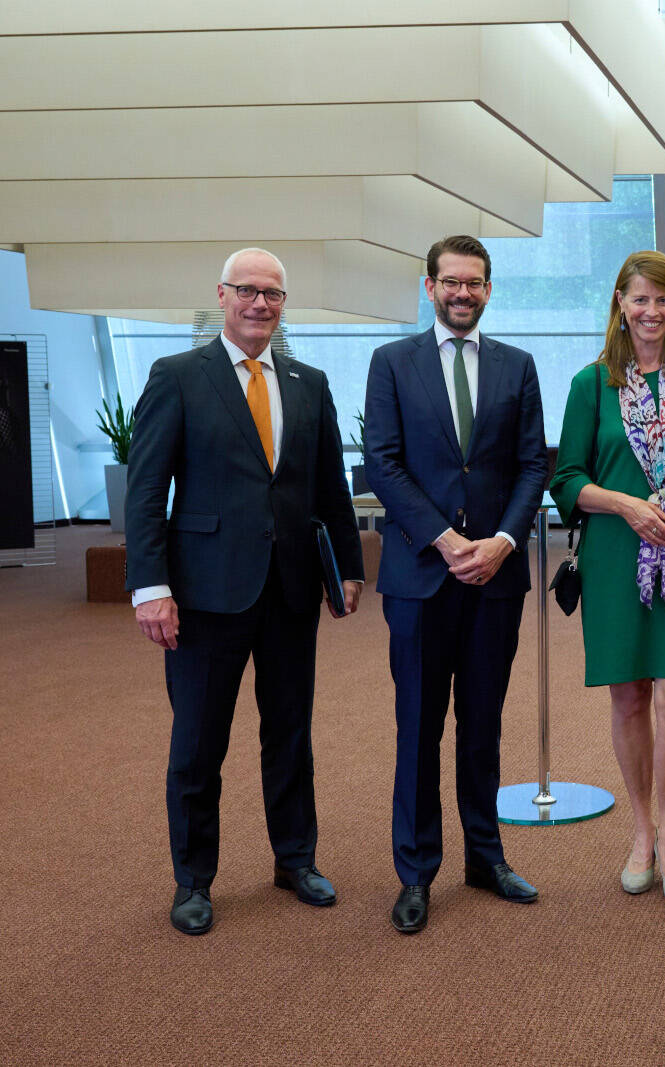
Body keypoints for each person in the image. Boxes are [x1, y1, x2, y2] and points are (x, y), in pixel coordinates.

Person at [125, 247, 364, 936]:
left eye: (273, 294)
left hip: (289, 587)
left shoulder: (308, 380)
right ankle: (193, 879)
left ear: (284, 305)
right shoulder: (177, 376)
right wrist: (150, 586)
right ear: (223, 295)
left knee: (290, 733)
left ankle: (296, 859)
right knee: (198, 742)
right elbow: (146, 492)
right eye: (248, 291)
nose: (260, 304)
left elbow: (328, 489)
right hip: (203, 592)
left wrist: (344, 567)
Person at [364, 235, 548, 934]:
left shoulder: (518, 366)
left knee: (482, 725)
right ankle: (415, 872)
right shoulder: (392, 364)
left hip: (495, 579)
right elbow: (382, 463)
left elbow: (533, 465)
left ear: (489, 289)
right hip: (420, 575)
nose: (462, 293)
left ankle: (485, 856)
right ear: (429, 285)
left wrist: (501, 542)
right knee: (418, 726)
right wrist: (445, 540)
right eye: (451, 282)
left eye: (474, 282)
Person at [548, 250, 665, 907]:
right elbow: (566, 479)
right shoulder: (589, 383)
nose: (651, 310)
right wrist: (625, 503)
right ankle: (641, 833)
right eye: (639, 298)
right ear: (619, 305)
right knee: (628, 696)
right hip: (614, 558)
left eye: (664, 299)